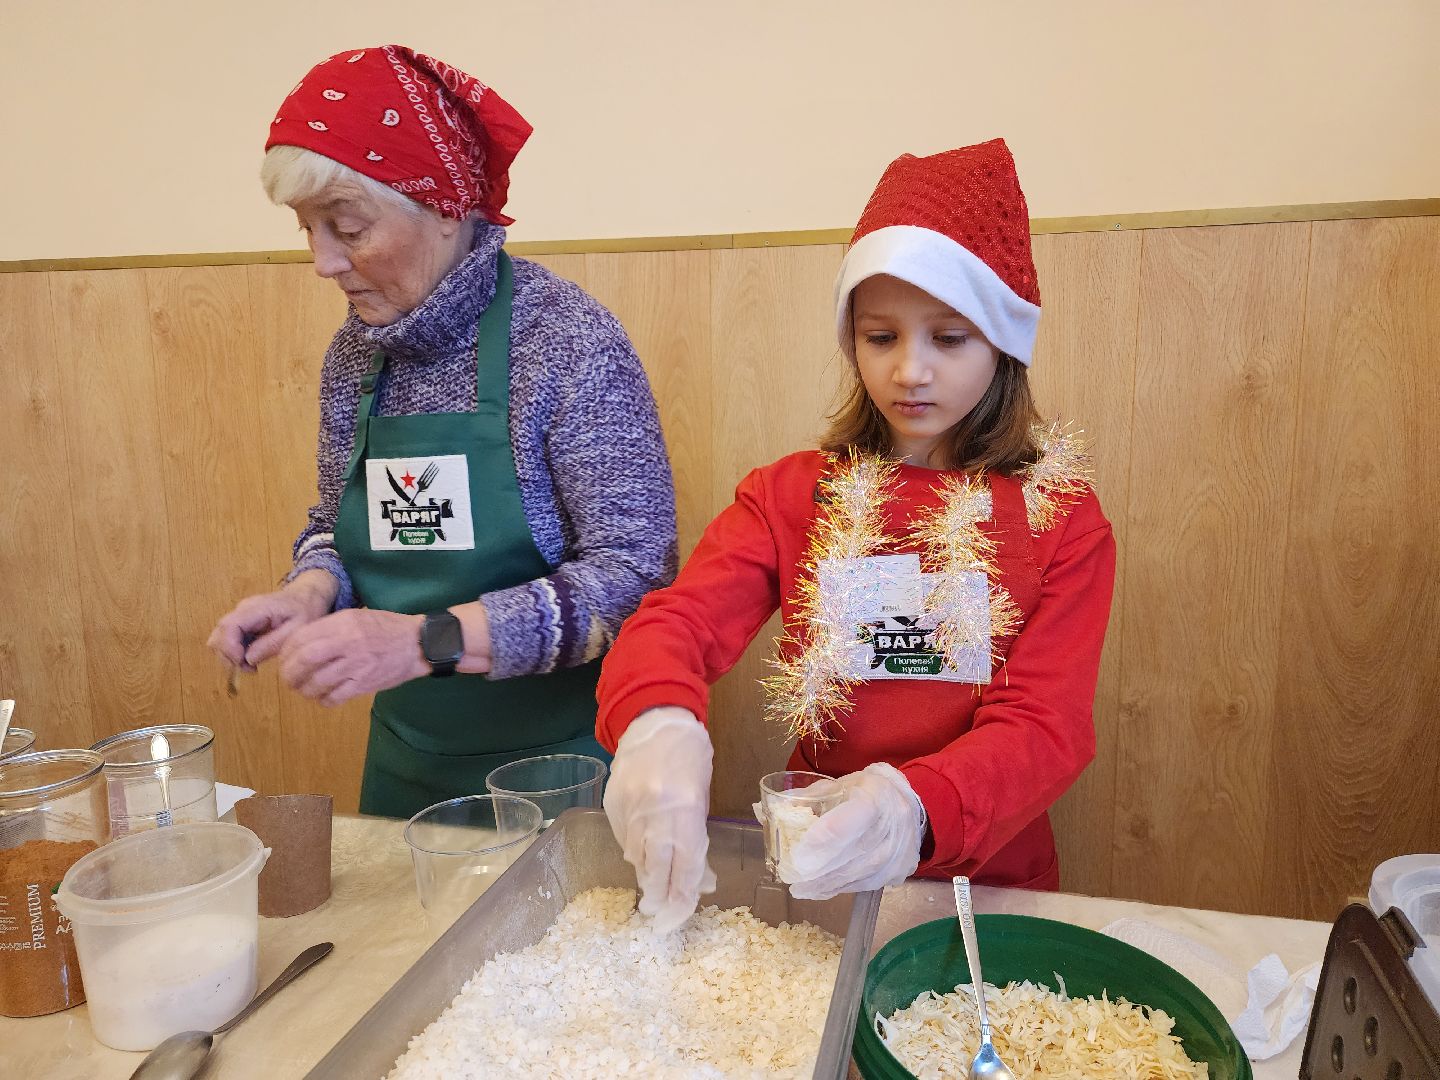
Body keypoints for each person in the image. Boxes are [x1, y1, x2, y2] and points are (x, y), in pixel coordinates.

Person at [596, 139, 1116, 931]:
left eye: (949, 338)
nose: (911, 371)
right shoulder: (791, 495)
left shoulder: (1060, 519)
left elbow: (1046, 725)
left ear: (1004, 342)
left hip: (985, 879)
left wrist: (912, 805)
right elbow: (681, 621)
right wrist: (657, 721)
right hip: (822, 862)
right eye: (881, 337)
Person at [208, 46, 677, 817]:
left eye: (347, 227)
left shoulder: (566, 342)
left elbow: (635, 579)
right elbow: (339, 524)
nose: (323, 262)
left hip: (564, 771)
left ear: (446, 206)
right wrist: (311, 591)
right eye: (308, 229)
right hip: (404, 768)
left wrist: (421, 641)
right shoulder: (355, 354)